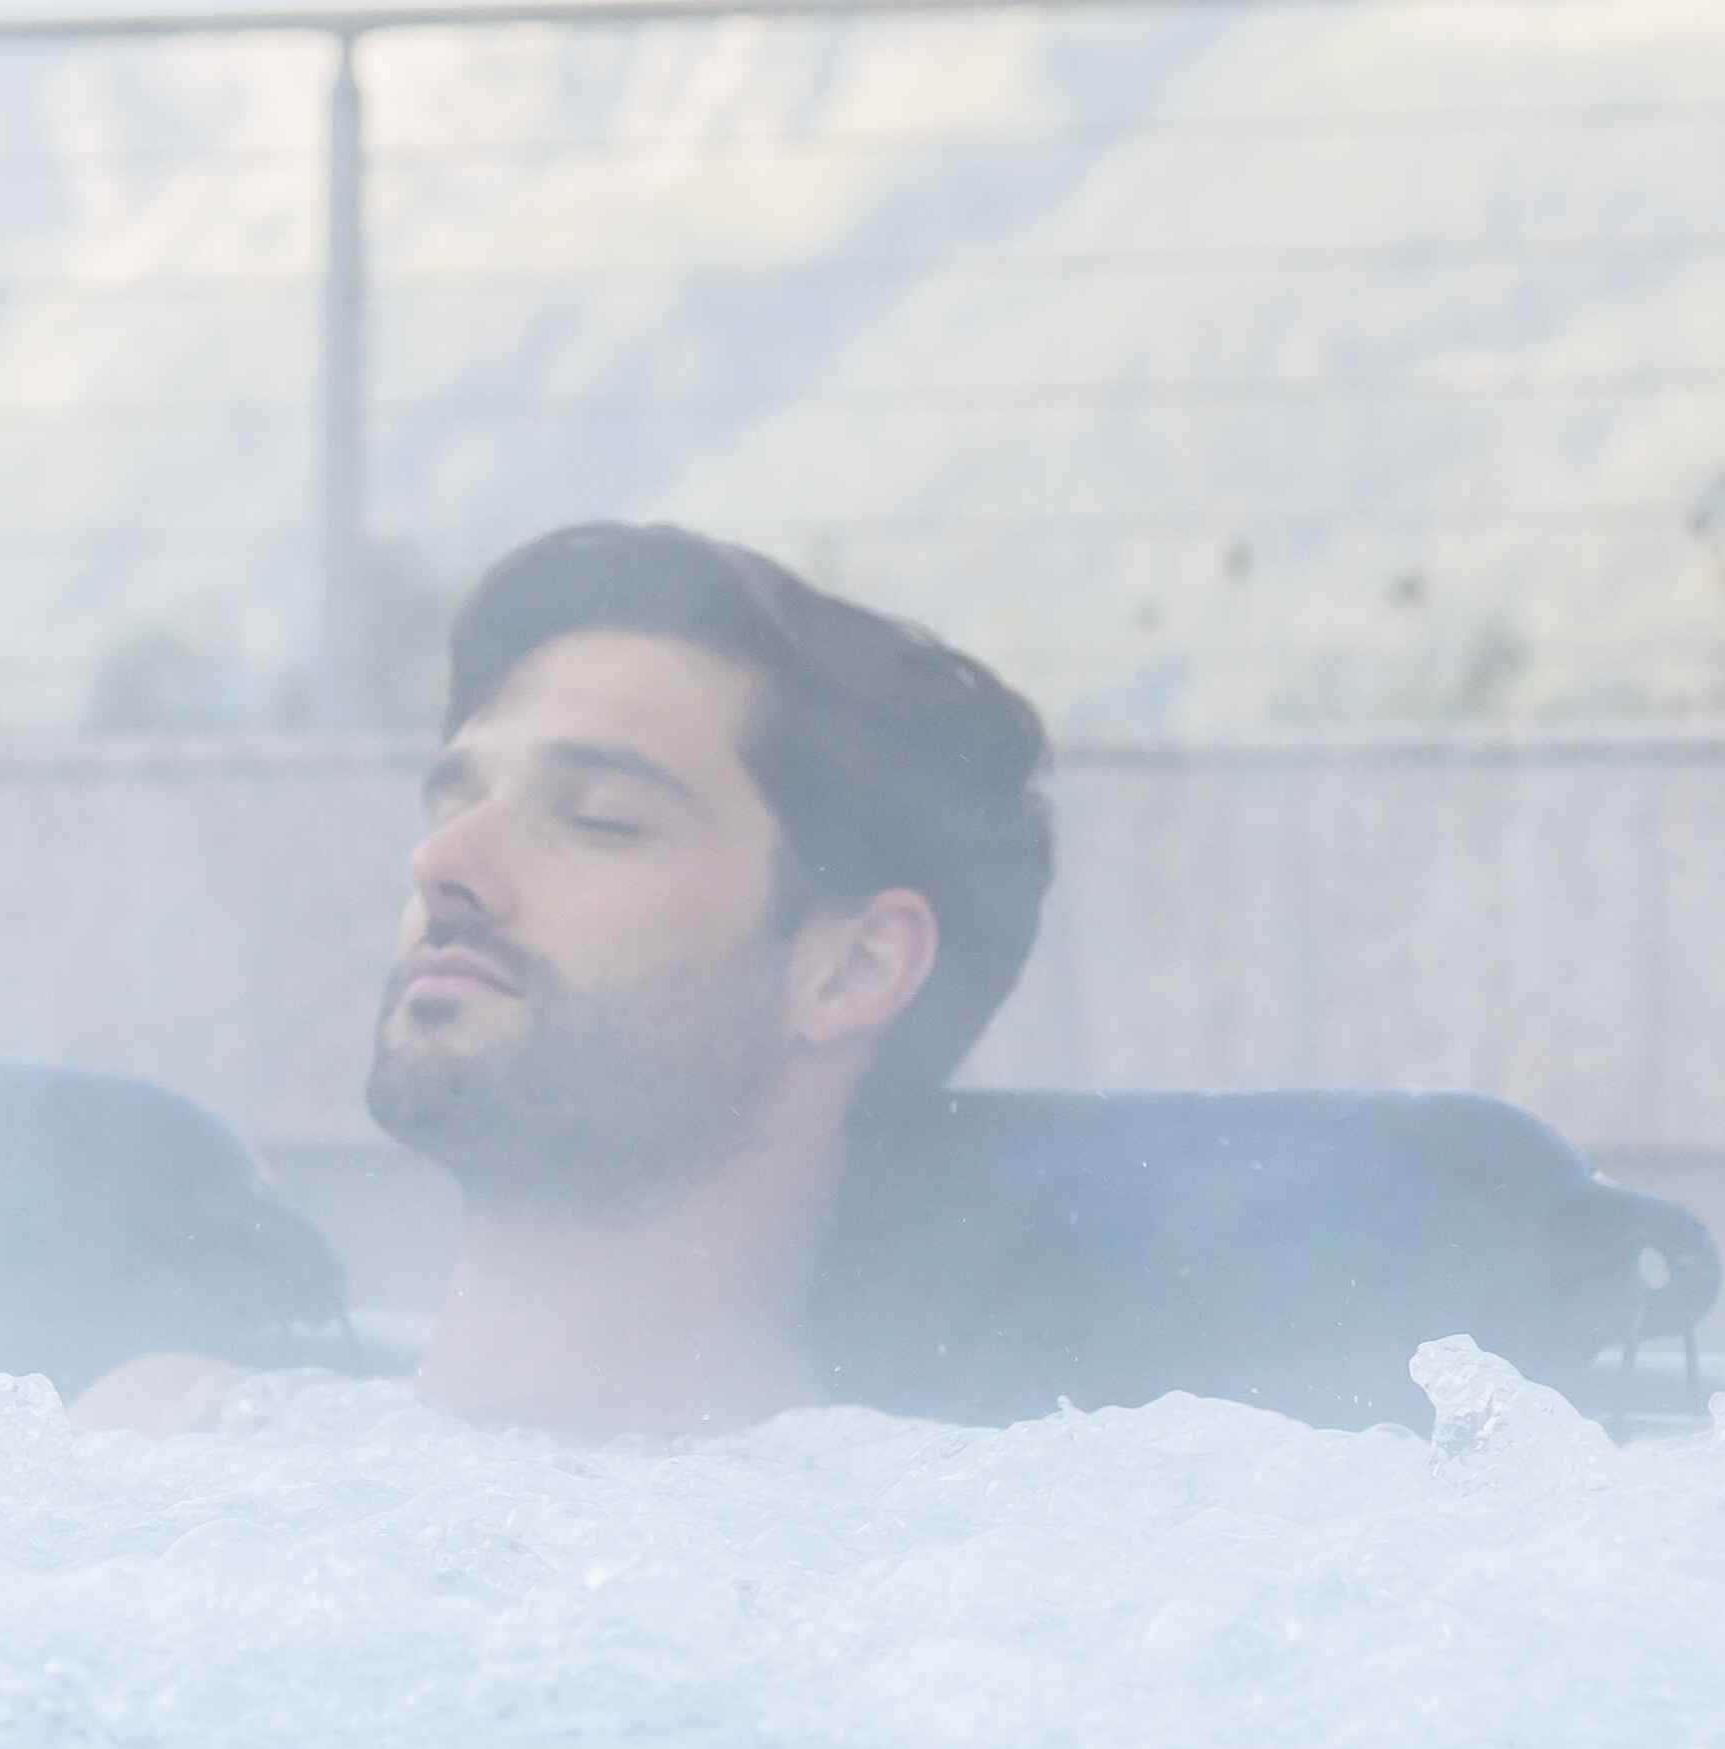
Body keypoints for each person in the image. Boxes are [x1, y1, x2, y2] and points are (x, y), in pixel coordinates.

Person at [82, 521, 1052, 1438]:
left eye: (599, 818)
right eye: (452, 802)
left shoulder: (921, 1561)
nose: (443, 863)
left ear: (852, 967)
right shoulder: (166, 1440)